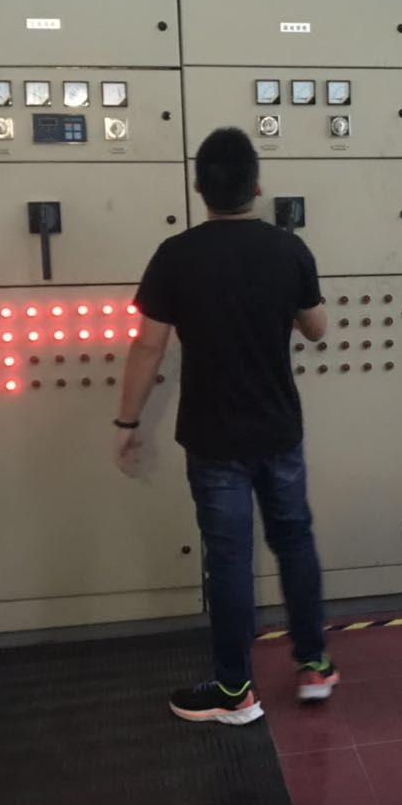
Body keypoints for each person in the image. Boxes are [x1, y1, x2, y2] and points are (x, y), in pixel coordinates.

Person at [113, 127, 338, 725]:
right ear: (257, 187)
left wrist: (128, 420)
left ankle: (236, 691)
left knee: (230, 558)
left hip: (212, 437)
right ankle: (315, 665)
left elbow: (147, 347)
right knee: (294, 540)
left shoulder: (175, 255)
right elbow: (317, 328)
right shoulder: (288, 249)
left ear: (199, 189)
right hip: (278, 430)